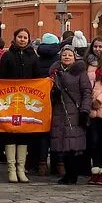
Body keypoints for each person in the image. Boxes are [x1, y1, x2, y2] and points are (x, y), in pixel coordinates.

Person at [0, 27, 41, 182]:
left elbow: (37, 77)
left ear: (28, 39)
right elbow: (1, 76)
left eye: (25, 37)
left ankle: (21, 169)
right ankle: (11, 169)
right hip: (10, 100)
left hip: (26, 101)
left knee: (23, 133)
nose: (22, 39)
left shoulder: (33, 56)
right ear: (15, 38)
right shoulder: (7, 56)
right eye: (20, 37)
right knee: (10, 132)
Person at [49, 44, 92, 185]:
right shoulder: (54, 72)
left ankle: (73, 174)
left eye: (69, 55)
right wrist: (53, 94)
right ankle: (68, 174)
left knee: (73, 145)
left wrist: (85, 110)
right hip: (59, 112)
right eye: (64, 55)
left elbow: (86, 92)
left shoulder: (80, 72)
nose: (66, 57)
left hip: (75, 112)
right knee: (63, 144)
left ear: (74, 57)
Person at [31, 32, 62, 175]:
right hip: (57, 100)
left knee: (42, 132)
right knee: (57, 132)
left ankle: (41, 163)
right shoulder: (59, 61)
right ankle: (58, 164)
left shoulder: (36, 60)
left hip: (40, 101)